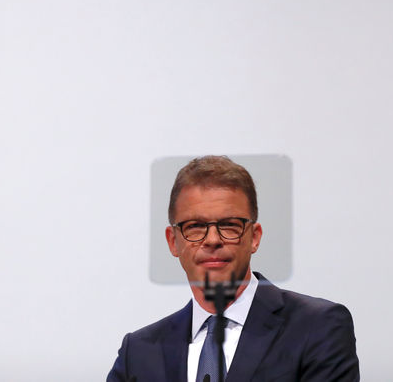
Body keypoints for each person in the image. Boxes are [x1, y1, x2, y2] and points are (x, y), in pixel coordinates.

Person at [107, 156, 359, 381]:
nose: (213, 239)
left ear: (255, 237)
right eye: (195, 226)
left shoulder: (317, 327)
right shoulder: (139, 352)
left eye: (229, 225)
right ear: (173, 241)